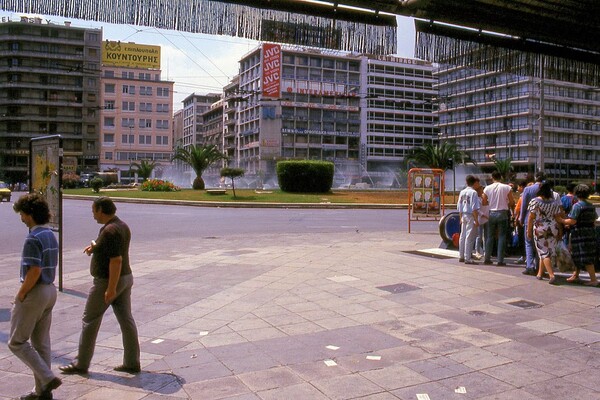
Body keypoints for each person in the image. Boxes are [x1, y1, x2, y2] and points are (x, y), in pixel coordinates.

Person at [60, 197, 140, 375]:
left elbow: (116, 260)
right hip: (126, 278)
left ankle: (81, 363)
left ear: (101, 210)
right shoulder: (121, 225)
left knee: (90, 319)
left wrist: (110, 288)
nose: (93, 215)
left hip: (108, 280)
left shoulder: (110, 231)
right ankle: (132, 361)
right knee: (126, 320)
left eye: (93, 211)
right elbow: (112, 249)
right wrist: (95, 247)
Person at [10, 194, 62, 400]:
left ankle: (47, 378)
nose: (21, 218)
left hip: (35, 291)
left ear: (29, 214)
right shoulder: (50, 234)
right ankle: (42, 392)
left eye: (22, 214)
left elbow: (34, 271)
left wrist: (21, 293)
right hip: (50, 291)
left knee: (17, 342)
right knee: (41, 343)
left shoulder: (33, 238)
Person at [558, 185, 599, 286]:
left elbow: (572, 220)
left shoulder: (577, 206)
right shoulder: (591, 206)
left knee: (584, 255)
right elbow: (594, 219)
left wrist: (561, 220)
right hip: (590, 232)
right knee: (579, 254)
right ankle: (575, 274)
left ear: (577, 194)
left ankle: (593, 279)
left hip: (580, 233)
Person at [526, 182, 562, 285]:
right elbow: (557, 217)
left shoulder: (535, 201)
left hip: (540, 228)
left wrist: (528, 231)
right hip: (553, 228)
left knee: (543, 251)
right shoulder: (554, 203)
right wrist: (560, 231)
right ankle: (540, 273)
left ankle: (551, 275)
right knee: (546, 250)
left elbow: (531, 217)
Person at [483, 171, 515, 266]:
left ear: (492, 177)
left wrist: (491, 204)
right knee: (502, 236)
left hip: (492, 213)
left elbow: (484, 202)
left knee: (490, 236)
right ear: (500, 177)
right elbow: (512, 202)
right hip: (502, 213)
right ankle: (500, 260)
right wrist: (506, 205)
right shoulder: (506, 187)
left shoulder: (487, 188)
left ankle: (487, 258)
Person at [519, 172, 546, 275]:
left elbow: (524, 206)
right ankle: (539, 266)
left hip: (529, 219)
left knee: (529, 243)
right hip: (543, 220)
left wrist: (521, 219)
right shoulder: (548, 189)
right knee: (540, 244)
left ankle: (530, 266)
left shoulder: (528, 189)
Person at [457, 175, 481, 265]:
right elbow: (474, 207)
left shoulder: (462, 192)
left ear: (466, 182)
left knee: (462, 236)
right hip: (470, 215)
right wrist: (476, 219)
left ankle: (461, 256)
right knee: (469, 236)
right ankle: (468, 257)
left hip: (463, 214)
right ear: (474, 182)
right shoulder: (473, 193)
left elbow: (459, 206)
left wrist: (460, 217)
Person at [474, 185, 489, 260]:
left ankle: (486, 251)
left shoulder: (485, 197)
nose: (482, 191)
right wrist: (483, 215)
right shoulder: (477, 199)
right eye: (480, 190)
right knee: (479, 236)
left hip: (486, 219)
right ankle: (477, 251)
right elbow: (477, 209)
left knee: (486, 236)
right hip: (480, 219)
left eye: (482, 190)